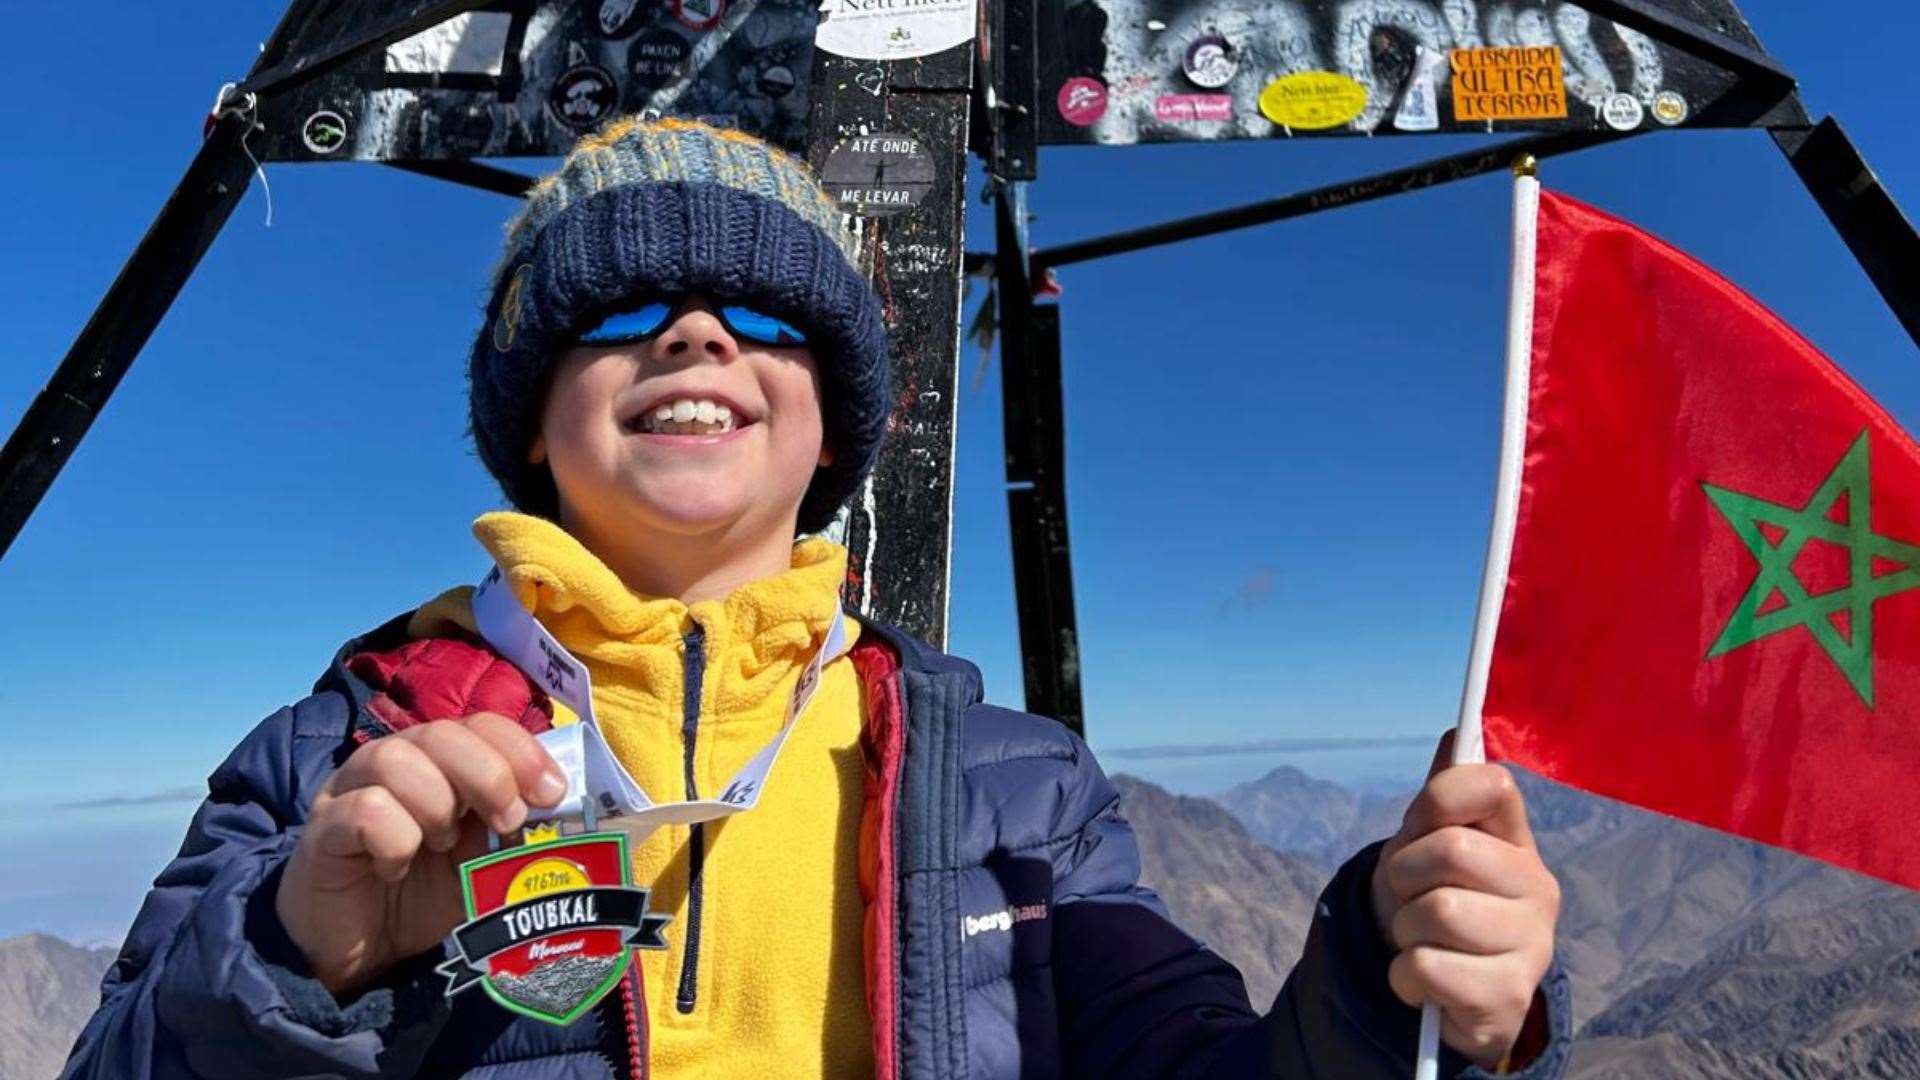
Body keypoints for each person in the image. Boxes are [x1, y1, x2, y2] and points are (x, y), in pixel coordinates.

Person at [60, 117, 1568, 1079]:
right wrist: (295, 964)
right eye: (623, 312)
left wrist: (1396, 992)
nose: (698, 335)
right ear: (531, 415)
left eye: (766, 317)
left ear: (832, 423)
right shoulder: (341, 762)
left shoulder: (1014, 792)